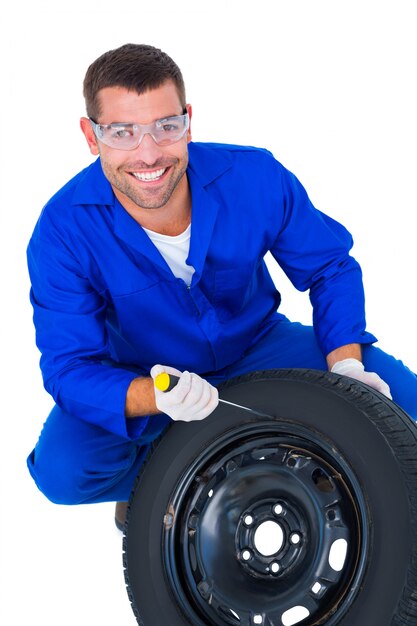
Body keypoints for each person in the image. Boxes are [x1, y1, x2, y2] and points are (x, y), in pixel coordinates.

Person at [26, 43, 417, 530]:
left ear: (188, 120)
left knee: (404, 410)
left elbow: (329, 267)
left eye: (165, 126)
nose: (148, 153)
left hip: (259, 346)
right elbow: (70, 368)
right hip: (150, 375)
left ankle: (259, 457)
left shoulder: (253, 176)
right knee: (64, 473)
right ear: (91, 135)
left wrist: (347, 366)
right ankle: (163, 481)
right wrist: (157, 396)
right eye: (123, 133)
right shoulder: (63, 230)